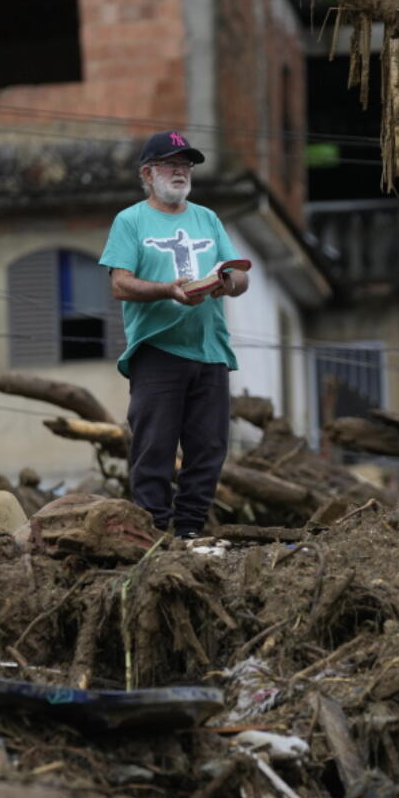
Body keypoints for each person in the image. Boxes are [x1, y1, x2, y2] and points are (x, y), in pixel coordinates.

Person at [100, 131, 249, 538]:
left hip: (210, 350)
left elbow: (237, 274)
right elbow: (120, 283)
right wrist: (168, 290)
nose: (181, 172)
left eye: (186, 165)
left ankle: (189, 533)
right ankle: (152, 535)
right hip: (158, 351)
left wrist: (227, 283)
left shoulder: (207, 218)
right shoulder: (130, 221)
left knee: (209, 450)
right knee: (155, 449)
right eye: (171, 164)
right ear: (148, 174)